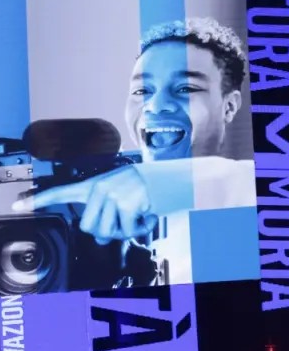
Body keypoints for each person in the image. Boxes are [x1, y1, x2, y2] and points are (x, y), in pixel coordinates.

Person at [19, 17, 255, 246]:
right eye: (141, 91)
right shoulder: (97, 208)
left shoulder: (252, 193)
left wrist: (154, 184)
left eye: (185, 88)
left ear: (229, 106)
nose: (155, 106)